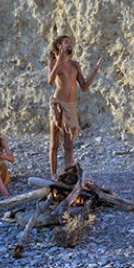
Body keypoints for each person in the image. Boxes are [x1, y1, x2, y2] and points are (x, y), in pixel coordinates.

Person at [48, 33, 102, 177]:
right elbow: (50, 81)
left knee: (69, 143)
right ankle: (53, 175)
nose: (70, 44)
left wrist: (95, 72)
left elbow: (84, 87)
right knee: (54, 143)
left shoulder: (75, 65)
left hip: (71, 106)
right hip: (58, 103)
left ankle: (68, 173)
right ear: (59, 46)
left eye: (70, 42)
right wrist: (58, 61)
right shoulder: (53, 62)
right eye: (66, 42)